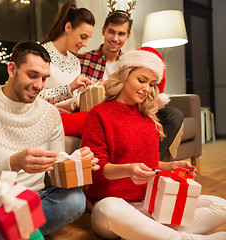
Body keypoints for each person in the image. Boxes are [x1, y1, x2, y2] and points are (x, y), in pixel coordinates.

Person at [81, 48, 226, 240]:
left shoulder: (148, 117)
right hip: (114, 204)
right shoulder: (99, 114)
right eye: (141, 80)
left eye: (151, 84)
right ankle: (181, 238)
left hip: (152, 204)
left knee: (221, 206)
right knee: (108, 210)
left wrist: (170, 166)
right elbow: (96, 169)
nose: (147, 89)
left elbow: (148, 165)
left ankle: (146, 233)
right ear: (124, 76)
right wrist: (129, 170)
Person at [0, 41, 99, 236]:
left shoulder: (50, 113)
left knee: (75, 200)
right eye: (32, 76)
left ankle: (1, 232)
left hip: (37, 199)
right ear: (12, 69)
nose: (39, 86)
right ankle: (15, 231)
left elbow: (55, 171)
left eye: (44, 78)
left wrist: (75, 162)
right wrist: (14, 162)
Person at [77, 7, 184, 161]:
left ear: (128, 36)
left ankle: (150, 160)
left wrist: (151, 104)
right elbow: (77, 98)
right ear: (103, 31)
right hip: (108, 115)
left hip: (134, 113)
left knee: (174, 114)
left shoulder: (134, 62)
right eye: (111, 32)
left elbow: (146, 90)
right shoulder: (83, 60)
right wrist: (95, 87)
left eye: (121, 34)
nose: (115, 38)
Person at [38, 2, 95, 137]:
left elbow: (74, 101)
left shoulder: (75, 61)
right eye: (83, 37)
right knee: (94, 121)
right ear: (68, 27)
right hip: (45, 117)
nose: (85, 44)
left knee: (104, 117)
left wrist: (91, 89)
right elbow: (35, 96)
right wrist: (70, 87)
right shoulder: (41, 53)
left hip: (69, 117)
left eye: (88, 39)